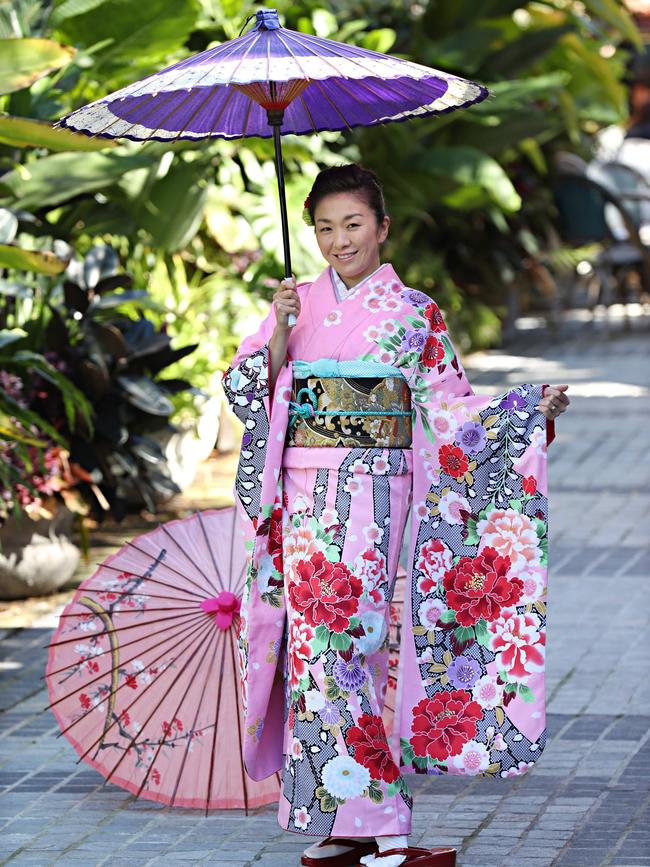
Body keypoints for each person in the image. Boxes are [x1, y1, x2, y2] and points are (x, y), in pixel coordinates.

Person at [223, 164, 569, 867]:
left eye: (353, 224)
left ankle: (380, 820)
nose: (338, 240)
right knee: (317, 654)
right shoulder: (296, 303)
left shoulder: (414, 312)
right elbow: (247, 388)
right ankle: (356, 819)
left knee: (355, 646)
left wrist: (525, 411)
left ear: (383, 227)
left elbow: (449, 411)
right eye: (324, 227)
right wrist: (282, 334)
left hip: (376, 500)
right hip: (305, 502)